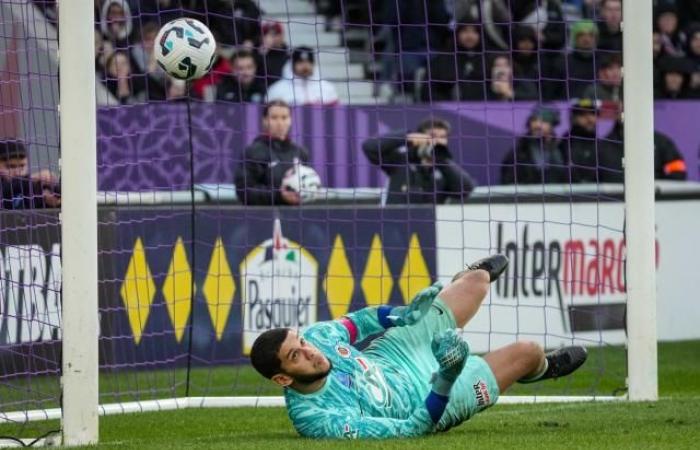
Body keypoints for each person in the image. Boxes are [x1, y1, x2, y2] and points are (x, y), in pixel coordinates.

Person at [250, 255, 588, 439]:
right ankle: (540, 369)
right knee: (528, 351)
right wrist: (446, 375)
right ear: (282, 379)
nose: (310, 351)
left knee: (478, 281)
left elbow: (361, 322)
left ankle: (458, 280)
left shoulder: (318, 337)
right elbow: (412, 429)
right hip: (426, 401)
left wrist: (401, 316)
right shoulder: (317, 419)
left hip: (395, 353)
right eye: (296, 355)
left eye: (302, 342)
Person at [362, 118, 476, 205]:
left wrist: (441, 159)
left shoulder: (445, 168)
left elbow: (466, 190)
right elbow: (369, 147)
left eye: (442, 137)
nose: (437, 141)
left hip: (430, 227)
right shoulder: (401, 160)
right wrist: (406, 137)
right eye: (432, 136)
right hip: (395, 225)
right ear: (419, 137)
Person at [234, 100, 310, 206]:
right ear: (264, 120)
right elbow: (244, 191)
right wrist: (280, 195)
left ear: (290, 120)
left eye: (284, 117)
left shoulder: (300, 152)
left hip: (296, 217)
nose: (280, 123)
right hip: (263, 216)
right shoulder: (252, 152)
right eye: (274, 118)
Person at [501, 106, 568, 185]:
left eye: (544, 121)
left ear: (552, 125)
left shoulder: (562, 149)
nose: (537, 125)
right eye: (534, 120)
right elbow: (508, 183)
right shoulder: (519, 152)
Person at [266, 47, 339, 105]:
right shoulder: (276, 89)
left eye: (309, 62)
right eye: (300, 62)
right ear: (292, 64)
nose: (305, 66)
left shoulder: (327, 87)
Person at [0, 141, 60, 209]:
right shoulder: (27, 181)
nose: (17, 172)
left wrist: (51, 201)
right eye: (11, 167)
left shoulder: (31, 185)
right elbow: (7, 189)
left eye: (22, 166)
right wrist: (32, 178)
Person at [256, 21, 290, 85]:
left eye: (274, 34)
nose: (270, 38)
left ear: (282, 35)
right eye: (266, 34)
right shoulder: (256, 54)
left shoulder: (289, 54)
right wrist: (263, 53)